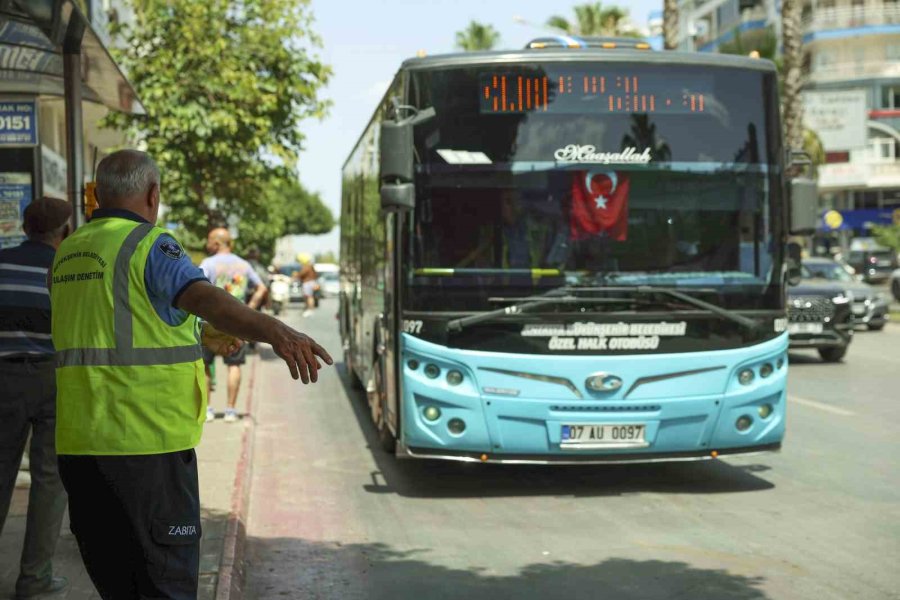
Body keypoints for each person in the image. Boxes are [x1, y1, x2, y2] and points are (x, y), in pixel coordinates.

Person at [50, 150, 331, 600]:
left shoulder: (69, 253)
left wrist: (200, 339)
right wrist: (277, 332)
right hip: (147, 447)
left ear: (98, 194)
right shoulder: (149, 244)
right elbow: (207, 299)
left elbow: (112, 328)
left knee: (117, 584)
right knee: (165, 586)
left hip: (80, 450)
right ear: (152, 193)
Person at [0, 197, 72, 599]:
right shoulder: (65, 269)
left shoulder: (1, 262)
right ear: (63, 232)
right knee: (49, 479)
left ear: (26, 228)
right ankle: (35, 580)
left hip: (3, 377)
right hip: (52, 378)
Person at [199, 229, 267, 422]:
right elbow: (261, 288)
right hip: (237, 324)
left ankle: (207, 409)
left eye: (210, 240)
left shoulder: (208, 264)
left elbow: (197, 288)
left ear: (219, 243)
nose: (207, 243)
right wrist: (249, 308)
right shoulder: (243, 265)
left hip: (210, 322)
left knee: (204, 365)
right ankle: (230, 410)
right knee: (234, 365)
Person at [296, 253, 317, 317]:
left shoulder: (307, 266)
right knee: (308, 296)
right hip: (309, 282)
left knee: (308, 296)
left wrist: (296, 275)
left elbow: (301, 273)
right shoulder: (310, 266)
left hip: (307, 283)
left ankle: (309, 310)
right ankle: (308, 309)